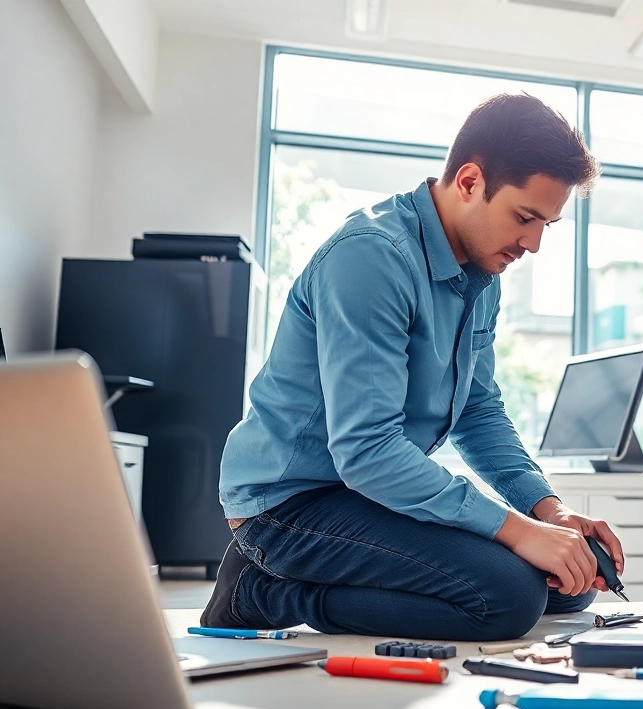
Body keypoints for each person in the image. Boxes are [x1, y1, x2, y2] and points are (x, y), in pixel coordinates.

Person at [201, 94, 620, 641]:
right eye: (525, 217)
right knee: (510, 599)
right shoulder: (371, 258)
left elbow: (477, 410)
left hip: (364, 492)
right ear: (470, 181)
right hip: (289, 504)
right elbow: (367, 451)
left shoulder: (482, 272)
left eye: (547, 224)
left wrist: (550, 512)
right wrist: (517, 530)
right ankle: (257, 591)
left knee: (573, 576)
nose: (534, 244)